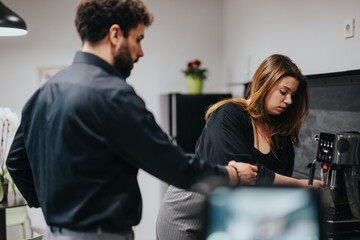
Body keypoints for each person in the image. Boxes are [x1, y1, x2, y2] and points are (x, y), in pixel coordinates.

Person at [5, 0, 258, 239]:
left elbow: (15, 162)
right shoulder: (113, 95)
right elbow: (173, 164)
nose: (141, 52)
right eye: (138, 39)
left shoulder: (43, 93)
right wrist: (232, 173)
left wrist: (51, 207)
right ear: (115, 35)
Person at [156, 54, 323, 240]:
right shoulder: (228, 114)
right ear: (264, 84)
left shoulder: (281, 139)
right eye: (283, 92)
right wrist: (300, 185)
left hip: (233, 215)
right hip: (187, 213)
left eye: (293, 95)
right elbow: (243, 173)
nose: (289, 101)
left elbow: (274, 194)